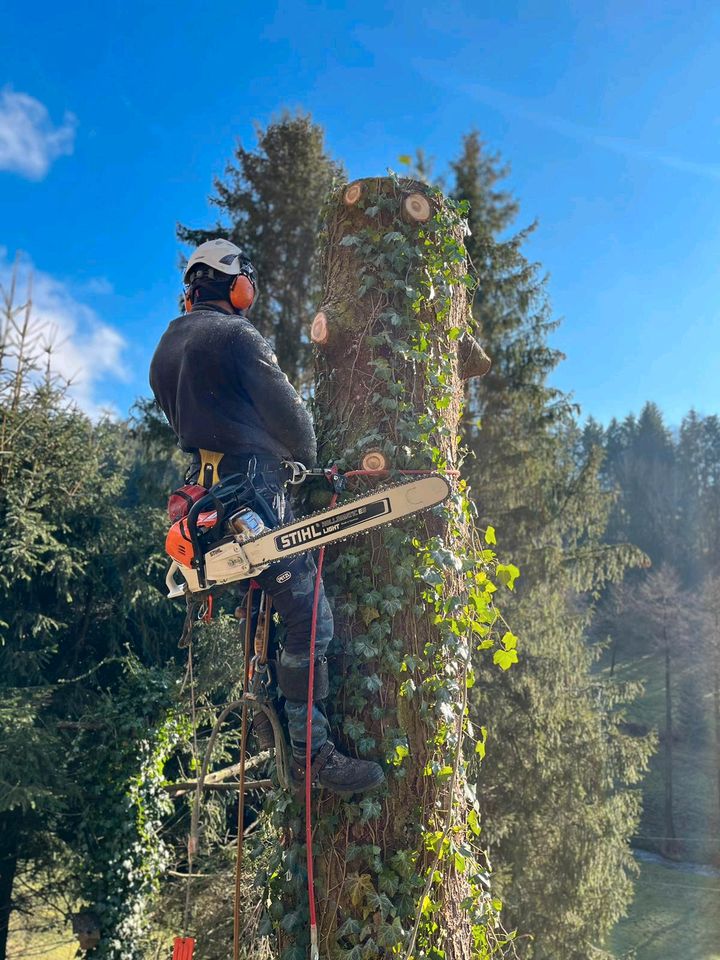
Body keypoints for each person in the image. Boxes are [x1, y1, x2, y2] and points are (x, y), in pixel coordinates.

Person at [149, 238, 385, 795]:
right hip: (253, 496)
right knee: (310, 619)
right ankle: (312, 754)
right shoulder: (235, 336)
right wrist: (301, 463)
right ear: (234, 282)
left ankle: (266, 726)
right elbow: (297, 431)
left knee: (262, 609)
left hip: (206, 504)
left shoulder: (165, 349)